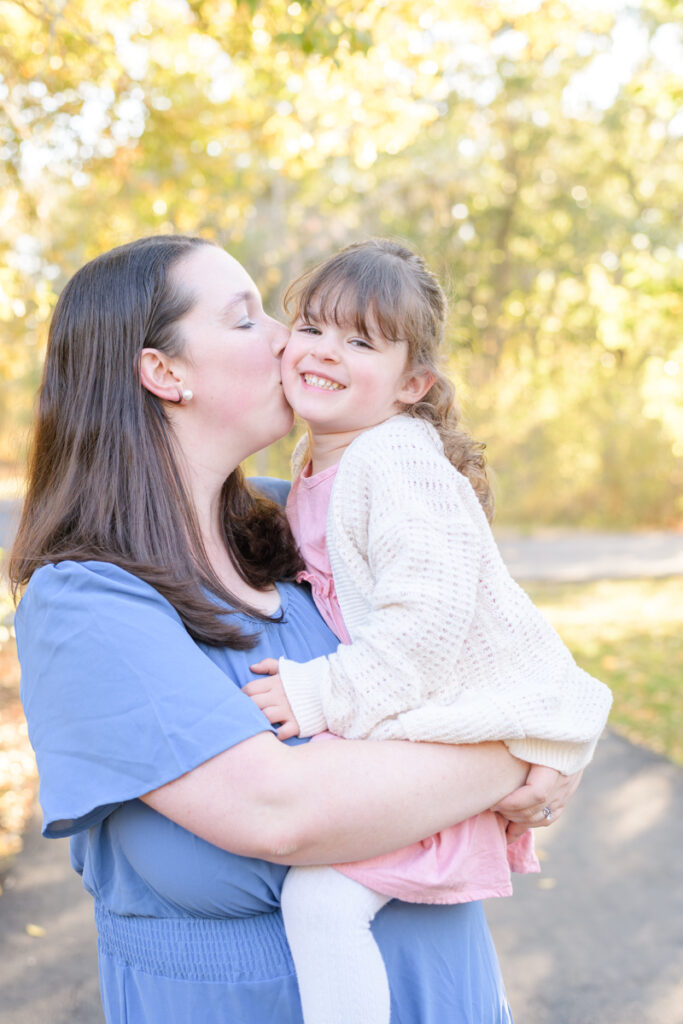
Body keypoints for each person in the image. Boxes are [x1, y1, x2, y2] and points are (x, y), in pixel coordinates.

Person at [10, 234, 581, 1024]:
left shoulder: (310, 516)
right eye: (249, 319)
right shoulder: (86, 603)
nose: (291, 339)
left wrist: (531, 727)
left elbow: (474, 639)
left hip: (448, 993)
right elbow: (281, 811)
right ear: (164, 372)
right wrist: (524, 747)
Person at [242, 239, 613, 1024]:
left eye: (360, 341)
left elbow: (428, 619)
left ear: (412, 384)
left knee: (320, 901)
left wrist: (320, 693)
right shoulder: (321, 463)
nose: (325, 351)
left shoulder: (394, 461)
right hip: (425, 728)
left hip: (457, 719)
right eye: (311, 327)